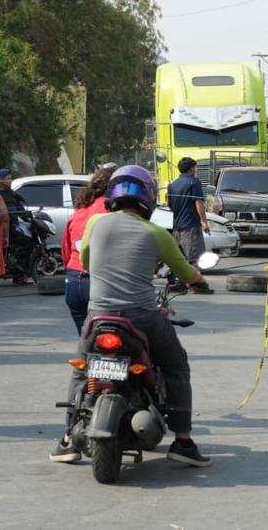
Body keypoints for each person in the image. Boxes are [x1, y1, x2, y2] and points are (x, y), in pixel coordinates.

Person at [50, 165, 211, 466]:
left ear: (112, 196)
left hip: (98, 317)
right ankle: (184, 442)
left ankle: (69, 440)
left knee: (81, 371)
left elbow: (85, 260)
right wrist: (197, 278)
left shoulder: (96, 223)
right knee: (176, 366)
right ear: (148, 198)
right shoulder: (156, 233)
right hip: (142, 318)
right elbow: (185, 272)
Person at [61, 167, 111, 336]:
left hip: (75, 281)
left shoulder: (80, 210)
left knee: (86, 339)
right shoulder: (113, 209)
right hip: (103, 283)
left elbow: (66, 253)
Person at [166, 157, 213, 294]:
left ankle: (181, 283)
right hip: (190, 226)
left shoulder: (173, 184)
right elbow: (199, 203)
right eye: (195, 167)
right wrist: (204, 221)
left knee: (181, 258)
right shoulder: (194, 182)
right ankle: (196, 285)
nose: (196, 170)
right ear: (191, 168)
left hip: (177, 227)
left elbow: (171, 206)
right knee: (195, 258)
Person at [0, 168, 34, 285]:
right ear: (0, 180)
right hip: (1, 228)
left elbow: (19, 208)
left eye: (11, 178)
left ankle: (19, 274)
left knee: (28, 243)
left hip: (14, 226)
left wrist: (28, 216)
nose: (11, 181)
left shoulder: (11, 193)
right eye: (8, 178)